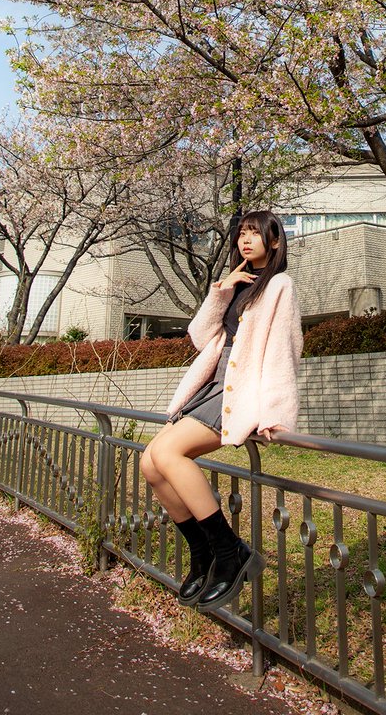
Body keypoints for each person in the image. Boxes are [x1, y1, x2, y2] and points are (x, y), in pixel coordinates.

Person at [139, 209, 303, 611]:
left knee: (168, 453)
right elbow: (198, 337)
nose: (245, 241)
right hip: (213, 383)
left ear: (275, 242)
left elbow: (285, 350)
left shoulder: (280, 285)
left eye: (255, 234)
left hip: (238, 390)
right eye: (242, 234)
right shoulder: (238, 284)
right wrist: (221, 291)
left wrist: (275, 413)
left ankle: (230, 553)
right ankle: (204, 555)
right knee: (149, 463)